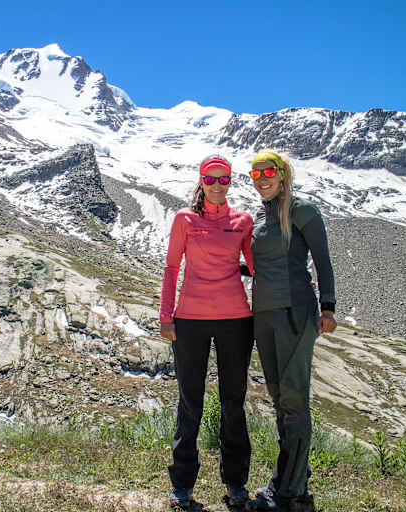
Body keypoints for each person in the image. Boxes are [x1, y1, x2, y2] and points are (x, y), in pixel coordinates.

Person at [159, 155, 255, 510]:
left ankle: (236, 484)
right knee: (190, 402)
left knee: (234, 402)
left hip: (236, 320)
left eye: (223, 179)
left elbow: (257, 267)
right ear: (201, 181)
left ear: (230, 182)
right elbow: (172, 268)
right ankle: (182, 486)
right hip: (190, 320)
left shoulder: (243, 221)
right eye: (210, 179)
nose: (217, 185)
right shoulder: (184, 219)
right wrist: (166, 316)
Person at [246, 151, 337, 512]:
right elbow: (262, 264)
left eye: (268, 172)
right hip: (263, 315)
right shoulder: (260, 216)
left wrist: (328, 307)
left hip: (295, 312)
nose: (261, 179)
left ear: (282, 174)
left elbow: (323, 260)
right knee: (279, 398)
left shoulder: (302, 211)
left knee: (294, 400)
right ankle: (294, 482)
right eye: (255, 174)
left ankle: (288, 494)